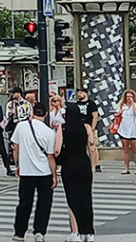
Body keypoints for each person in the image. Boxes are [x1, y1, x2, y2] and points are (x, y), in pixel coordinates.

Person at [10, 102, 57, 242]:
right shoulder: (49, 132)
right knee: (44, 203)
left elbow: (15, 147)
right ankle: (40, 232)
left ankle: (19, 232)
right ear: (46, 114)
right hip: (44, 172)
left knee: (24, 203)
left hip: (26, 172)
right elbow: (50, 156)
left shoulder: (21, 126)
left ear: (32, 112)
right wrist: (54, 175)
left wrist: (18, 164)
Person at [55, 103, 95, 242]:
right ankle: (88, 233)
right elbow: (92, 147)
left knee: (72, 198)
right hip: (83, 163)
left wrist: (56, 163)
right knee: (86, 198)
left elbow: (57, 149)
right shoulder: (86, 127)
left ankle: (75, 232)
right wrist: (92, 166)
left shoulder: (63, 128)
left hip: (69, 165)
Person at [75, 87, 101, 173]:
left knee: (92, 146)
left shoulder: (91, 104)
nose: (79, 95)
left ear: (85, 93)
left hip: (90, 126)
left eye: (81, 93)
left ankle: (95, 164)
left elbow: (95, 116)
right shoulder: (76, 104)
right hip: (80, 127)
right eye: (78, 93)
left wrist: (93, 128)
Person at [116, 89, 136, 174]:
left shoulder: (135, 105)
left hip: (133, 130)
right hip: (123, 130)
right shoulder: (121, 106)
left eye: (131, 96)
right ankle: (127, 168)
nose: (129, 98)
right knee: (125, 150)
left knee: (135, 150)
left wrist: (133, 104)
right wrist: (119, 113)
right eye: (127, 97)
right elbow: (116, 115)